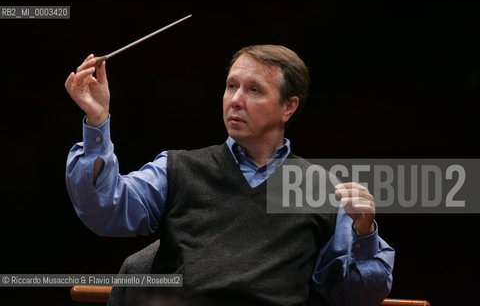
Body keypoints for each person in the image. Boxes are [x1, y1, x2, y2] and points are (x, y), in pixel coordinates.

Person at [65, 45, 395, 306]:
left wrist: (364, 233)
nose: (235, 100)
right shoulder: (178, 168)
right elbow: (104, 210)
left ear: (288, 107)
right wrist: (97, 121)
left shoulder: (323, 189)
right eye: (231, 86)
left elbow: (357, 295)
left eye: (254, 90)